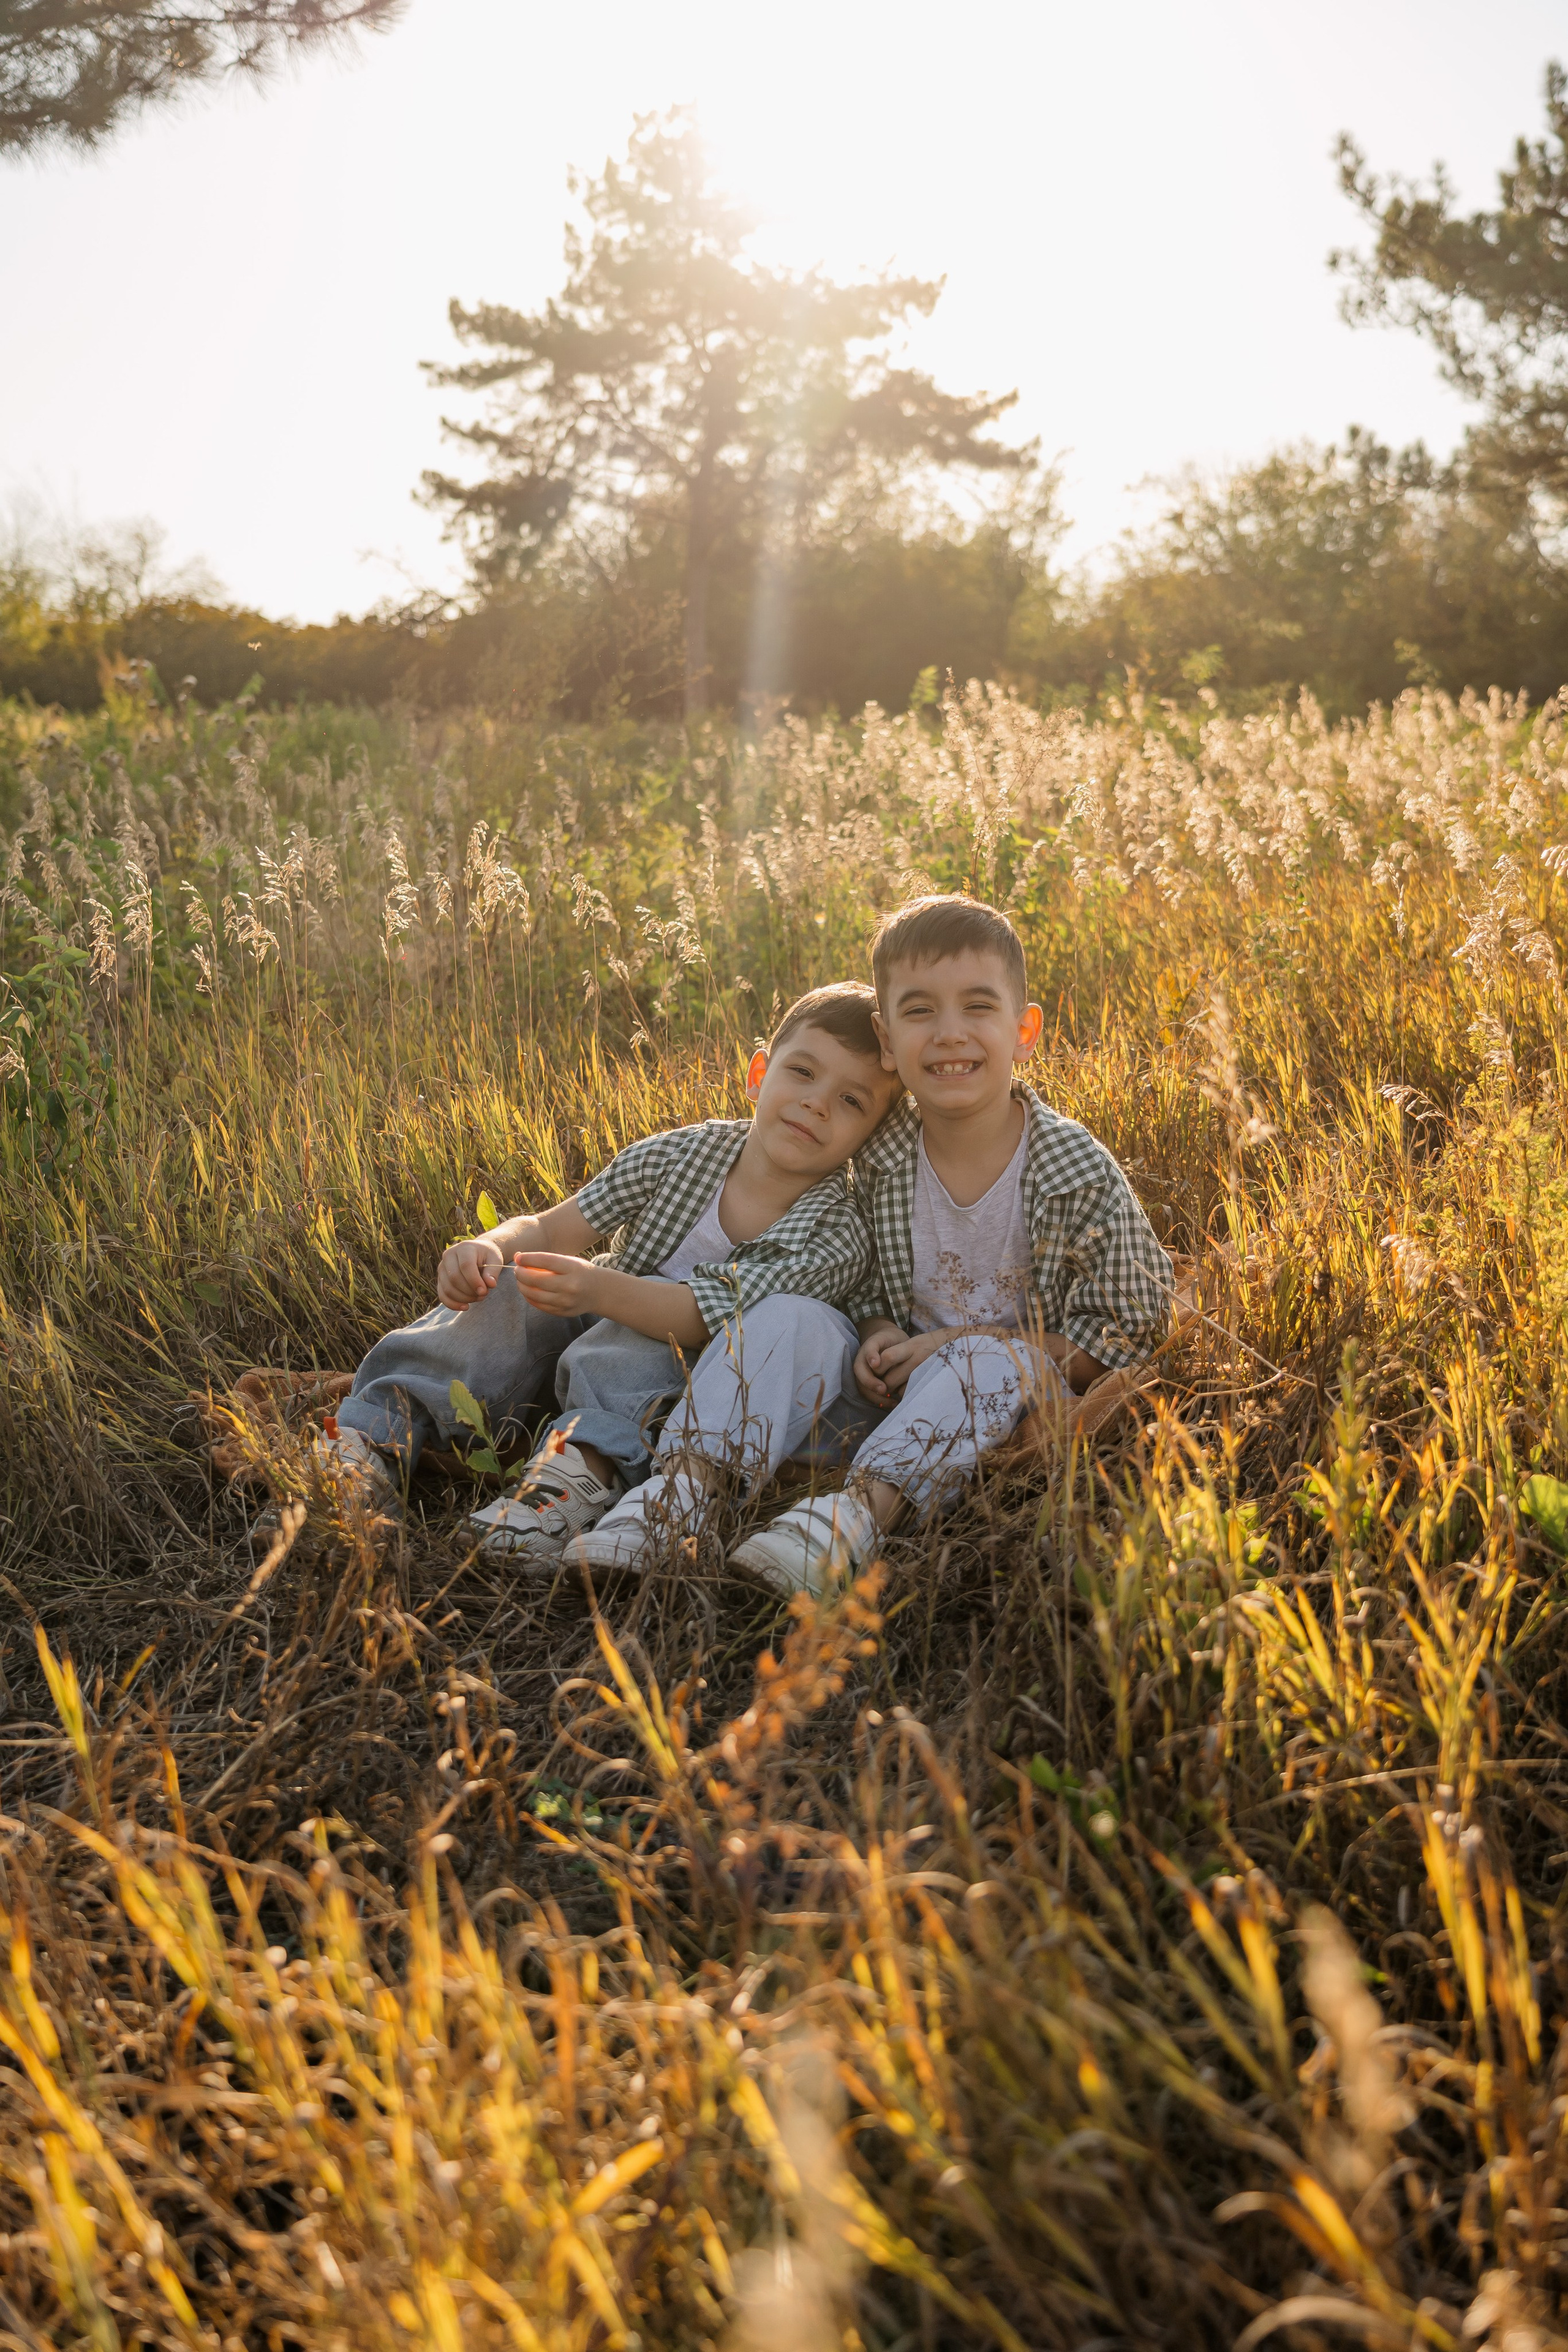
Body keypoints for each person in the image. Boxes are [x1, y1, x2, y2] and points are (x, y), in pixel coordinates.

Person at [579, 894, 1173, 1586]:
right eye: (920, 1011)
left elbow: (1126, 1335)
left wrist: (951, 1346)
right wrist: (878, 1331)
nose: (949, 1033)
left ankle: (855, 1516)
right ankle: (682, 1491)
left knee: (981, 1363)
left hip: (1005, 1399)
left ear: (1023, 1029)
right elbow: (855, 1277)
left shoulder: (1073, 1170)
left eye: (977, 1007)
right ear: (887, 1040)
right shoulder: (879, 1152)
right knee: (788, 1315)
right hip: (882, 1398)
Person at [325, 983, 903, 1562]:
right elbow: (552, 1229)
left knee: (642, 1332)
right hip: (599, 1303)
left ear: (871, 1135)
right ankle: (375, 1432)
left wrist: (598, 1287)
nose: (817, 1104)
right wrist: (489, 1246)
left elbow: (695, 1318)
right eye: (802, 1072)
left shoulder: (836, 1233)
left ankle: (577, 1473)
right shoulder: (684, 1153)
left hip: (686, 1364)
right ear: (759, 1073)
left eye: (852, 1101)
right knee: (509, 1286)